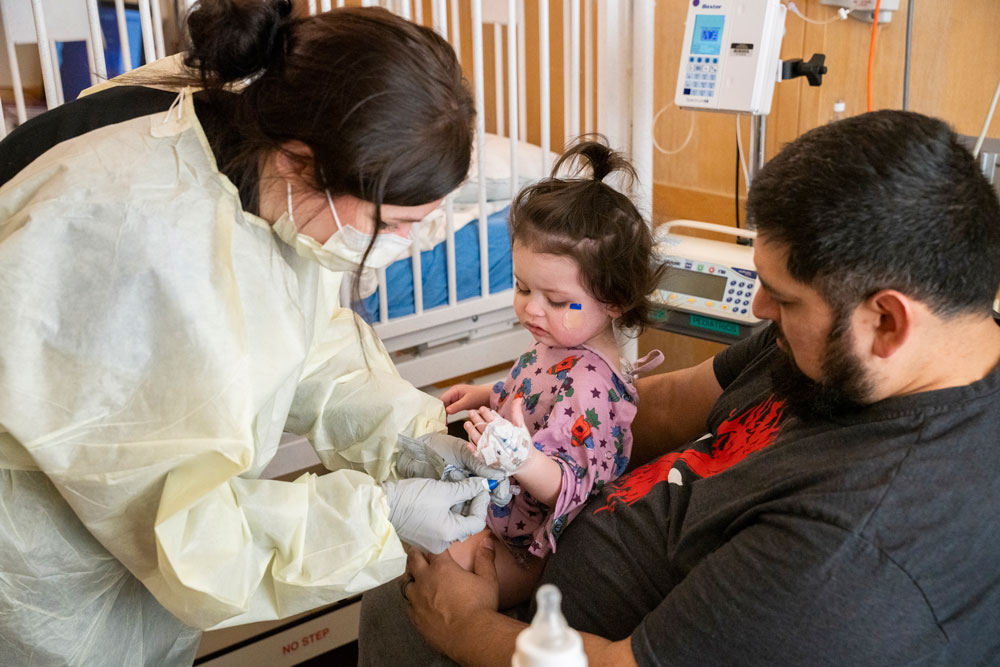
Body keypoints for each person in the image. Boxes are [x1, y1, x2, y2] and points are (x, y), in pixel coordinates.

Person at [357, 109, 1000, 666]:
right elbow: (659, 406)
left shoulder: (855, 550)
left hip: (544, 636)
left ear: (886, 321)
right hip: (553, 541)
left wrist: (465, 626)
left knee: (395, 603)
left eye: (782, 298)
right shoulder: (838, 353)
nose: (760, 311)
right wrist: (539, 417)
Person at [0, 2, 494, 665]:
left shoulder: (257, 152)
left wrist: (410, 434)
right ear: (299, 161)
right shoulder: (137, 241)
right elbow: (189, 536)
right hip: (35, 570)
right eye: (396, 222)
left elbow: (300, 335)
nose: (405, 245)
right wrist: (377, 516)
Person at [439, 139, 663, 607]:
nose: (531, 309)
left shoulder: (591, 388)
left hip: (529, 547)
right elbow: (531, 391)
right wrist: (486, 394)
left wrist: (523, 460)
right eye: (522, 287)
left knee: (436, 566)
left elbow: (571, 484)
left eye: (558, 301)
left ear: (615, 299)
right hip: (498, 508)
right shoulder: (559, 342)